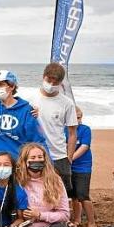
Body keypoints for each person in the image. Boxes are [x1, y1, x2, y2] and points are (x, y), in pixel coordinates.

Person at [15, 143, 75, 227]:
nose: (37, 160)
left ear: (45, 159)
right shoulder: (17, 181)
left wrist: (40, 215)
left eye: (40, 157)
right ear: (25, 161)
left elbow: (65, 214)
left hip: (51, 226)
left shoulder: (55, 180)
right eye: (32, 157)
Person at [34, 63, 77, 202]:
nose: (51, 84)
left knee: (61, 195)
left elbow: (72, 133)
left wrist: (69, 158)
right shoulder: (30, 99)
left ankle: (63, 221)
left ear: (60, 83)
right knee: (36, 191)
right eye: (49, 80)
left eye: (55, 82)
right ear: (43, 77)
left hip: (59, 155)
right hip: (36, 154)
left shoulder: (67, 103)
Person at [0, 70, 46, 160]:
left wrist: (47, 166)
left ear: (12, 86)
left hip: (18, 163)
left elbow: (38, 141)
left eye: (0, 85)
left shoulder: (27, 111)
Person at [66, 107, 97, 227]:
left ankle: (91, 221)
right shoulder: (64, 130)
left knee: (83, 195)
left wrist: (70, 158)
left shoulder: (85, 129)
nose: (77, 120)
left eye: (79, 118)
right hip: (69, 167)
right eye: (74, 118)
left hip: (83, 167)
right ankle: (77, 219)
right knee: (73, 195)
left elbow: (84, 147)